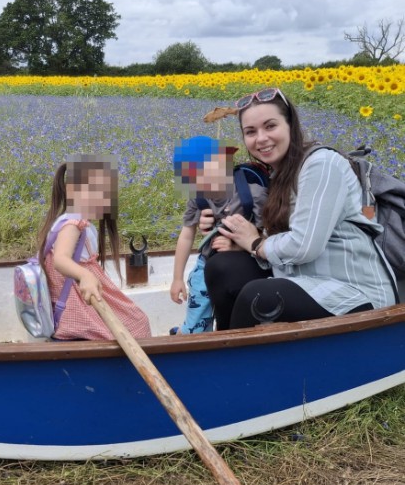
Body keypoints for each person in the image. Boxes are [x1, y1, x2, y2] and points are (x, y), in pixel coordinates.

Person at [203, 87, 397, 330]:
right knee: (223, 268)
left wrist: (255, 244)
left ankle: (239, 364)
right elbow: (280, 239)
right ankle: (226, 351)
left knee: (261, 296)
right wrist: (231, 237)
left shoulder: (322, 164)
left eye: (270, 126)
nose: (261, 138)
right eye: (250, 132)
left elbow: (304, 246)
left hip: (355, 292)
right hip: (301, 279)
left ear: (290, 125)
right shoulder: (279, 173)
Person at [37, 154, 151, 340]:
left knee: (138, 321)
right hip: (77, 305)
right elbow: (60, 259)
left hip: (81, 300)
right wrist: (85, 275)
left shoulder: (78, 221)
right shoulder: (72, 223)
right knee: (138, 322)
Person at [170, 136, 268, 334]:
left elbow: (269, 234)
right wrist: (177, 278)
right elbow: (187, 235)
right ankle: (191, 333)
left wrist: (237, 246)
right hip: (207, 262)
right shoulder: (198, 198)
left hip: (248, 260)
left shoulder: (252, 194)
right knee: (197, 316)